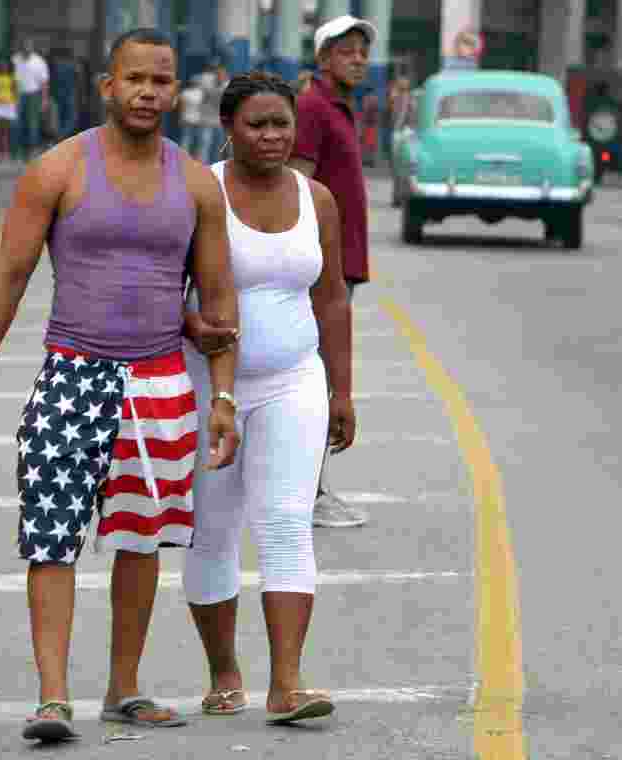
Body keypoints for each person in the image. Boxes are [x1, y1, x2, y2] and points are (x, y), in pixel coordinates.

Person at [0, 27, 241, 743]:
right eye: (134, 78)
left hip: (161, 383)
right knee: (51, 537)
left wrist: (223, 396)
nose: (148, 92)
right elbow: (7, 279)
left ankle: (124, 689)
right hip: (71, 376)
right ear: (107, 86)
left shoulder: (197, 183)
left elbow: (220, 301)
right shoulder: (57, 169)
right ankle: (53, 697)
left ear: (177, 91)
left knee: (141, 542)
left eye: (161, 81)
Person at [181, 69, 355, 723]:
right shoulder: (199, 192)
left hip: (294, 381)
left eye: (282, 123)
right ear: (228, 128)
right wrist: (191, 325)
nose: (272, 135)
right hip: (209, 389)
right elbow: (163, 290)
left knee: (285, 523)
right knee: (213, 533)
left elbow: (332, 297)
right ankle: (224, 671)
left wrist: (342, 389)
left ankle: (287, 683)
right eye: (256, 123)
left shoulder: (318, 199)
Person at [289, 14, 376, 529]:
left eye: (363, 52)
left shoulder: (340, 107)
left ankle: (311, 487)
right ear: (323, 60)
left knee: (318, 375)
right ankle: (311, 493)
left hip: (340, 265)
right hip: (322, 268)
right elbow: (297, 187)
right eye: (347, 51)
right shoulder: (314, 107)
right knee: (315, 378)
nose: (358, 59)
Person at [12, 39, 50, 161]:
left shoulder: (39, 62)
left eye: (28, 47)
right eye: (24, 46)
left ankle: (31, 151)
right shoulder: (15, 59)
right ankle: (18, 151)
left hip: (33, 95)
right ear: (21, 47)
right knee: (18, 123)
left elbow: (44, 83)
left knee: (32, 124)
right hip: (17, 94)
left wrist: (44, 99)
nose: (26, 49)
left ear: (32, 48)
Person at [0, 57, 17, 160]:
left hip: (8, 105)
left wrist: (14, 103)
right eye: (1, 64)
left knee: (6, 131)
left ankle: (6, 152)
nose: (3, 66)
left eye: (5, 64)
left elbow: (15, 91)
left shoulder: (12, 77)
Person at [178, 74, 207, 160]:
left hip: (188, 118)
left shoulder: (185, 92)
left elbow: (181, 107)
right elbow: (203, 107)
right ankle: (198, 158)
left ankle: (183, 157)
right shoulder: (201, 93)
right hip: (197, 119)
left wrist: (181, 118)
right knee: (197, 140)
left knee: (186, 139)